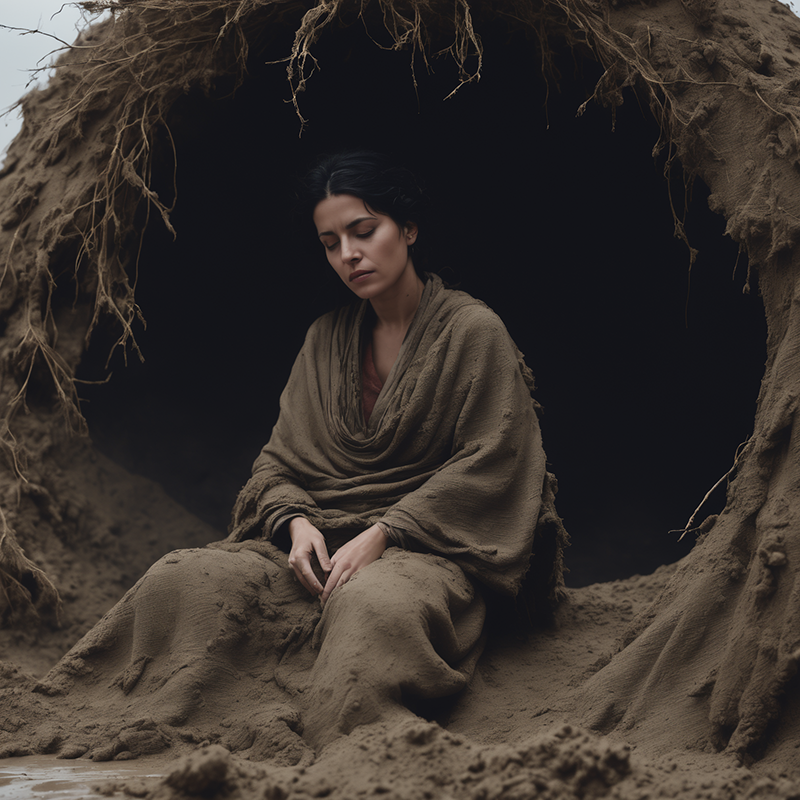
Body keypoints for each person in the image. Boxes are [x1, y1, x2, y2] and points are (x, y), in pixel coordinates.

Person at [25, 152, 566, 761]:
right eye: (331, 242)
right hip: (320, 548)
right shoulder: (325, 338)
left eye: (365, 232)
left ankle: (338, 741)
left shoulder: (473, 331)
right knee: (184, 578)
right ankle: (178, 721)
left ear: (408, 229)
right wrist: (296, 523)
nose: (349, 255)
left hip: (430, 552)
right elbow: (278, 462)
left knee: (370, 608)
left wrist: (387, 533)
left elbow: (497, 460)